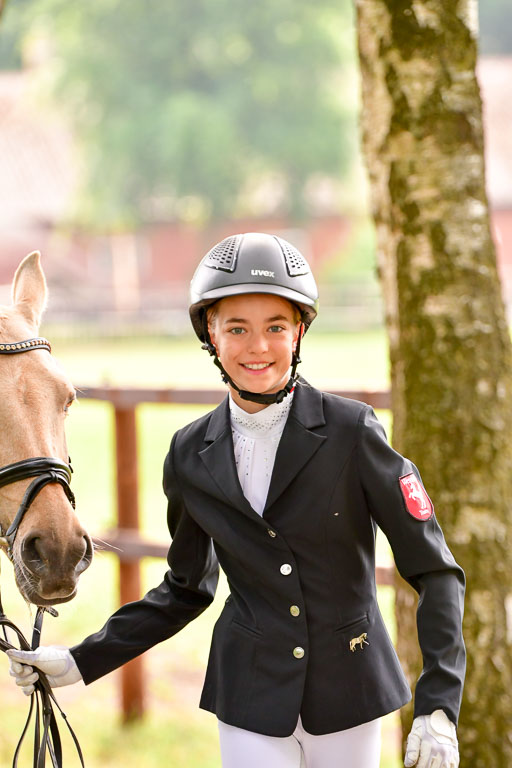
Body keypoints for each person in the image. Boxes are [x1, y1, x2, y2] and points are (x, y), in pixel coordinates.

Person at [8, 233, 465, 768]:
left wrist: (439, 706)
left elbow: (436, 572)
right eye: (237, 329)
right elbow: (185, 590)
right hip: (249, 694)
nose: (258, 347)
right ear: (211, 335)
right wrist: (79, 661)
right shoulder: (187, 454)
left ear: (298, 332)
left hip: (351, 689)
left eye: (276, 327)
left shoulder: (354, 432)